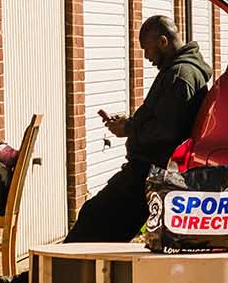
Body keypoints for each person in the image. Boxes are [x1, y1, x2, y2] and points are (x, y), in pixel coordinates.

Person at [64, 15, 211, 243]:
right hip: (146, 172)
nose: (146, 57)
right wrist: (130, 123)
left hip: (147, 173)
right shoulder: (180, 71)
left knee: (94, 220)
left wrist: (129, 130)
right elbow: (161, 117)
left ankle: (43, 278)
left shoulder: (180, 75)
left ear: (163, 41)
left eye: (148, 49)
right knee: (98, 225)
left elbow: (167, 131)